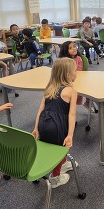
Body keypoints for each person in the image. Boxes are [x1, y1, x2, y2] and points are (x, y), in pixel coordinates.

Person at [32, 58, 77, 188]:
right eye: (75, 70)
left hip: (43, 123)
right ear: (68, 74)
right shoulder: (71, 91)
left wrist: (36, 128)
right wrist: (70, 135)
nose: (77, 72)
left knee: (50, 145)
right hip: (58, 125)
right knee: (61, 147)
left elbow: (40, 109)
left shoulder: (49, 88)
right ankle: (55, 177)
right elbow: (72, 114)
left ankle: (62, 163)